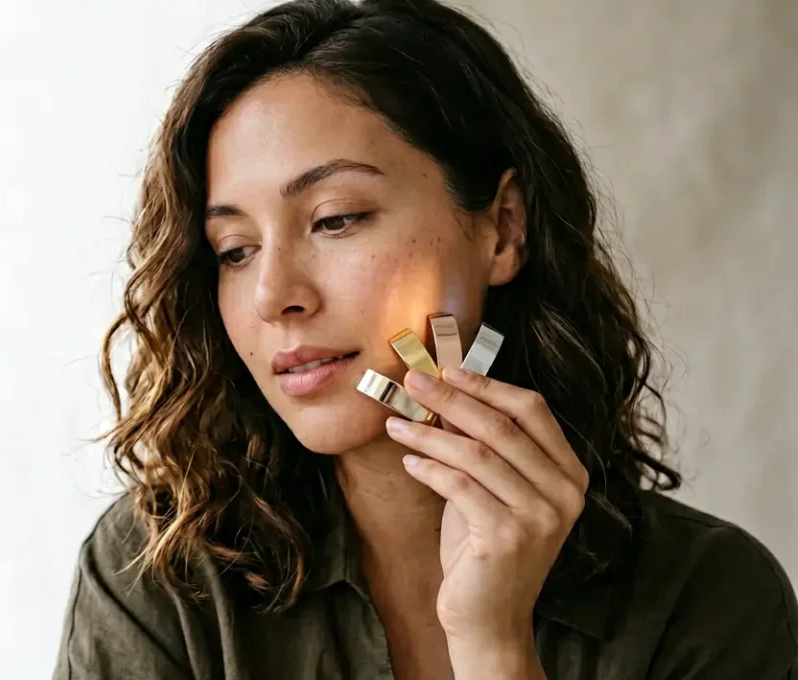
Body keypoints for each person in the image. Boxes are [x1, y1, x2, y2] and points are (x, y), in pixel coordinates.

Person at [51, 0, 798, 678]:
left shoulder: (708, 601)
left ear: (502, 229)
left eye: (336, 218)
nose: (276, 297)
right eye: (234, 250)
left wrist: (495, 645)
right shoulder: (162, 576)